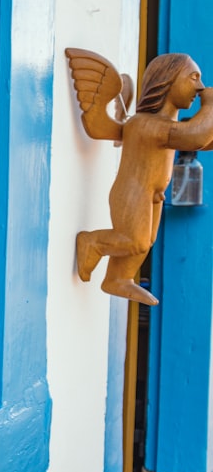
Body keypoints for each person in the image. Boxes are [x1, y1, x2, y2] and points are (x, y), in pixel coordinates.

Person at [68, 48, 213, 305]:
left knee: (146, 242)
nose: (200, 87)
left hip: (153, 192)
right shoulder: (145, 124)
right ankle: (93, 242)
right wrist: (211, 106)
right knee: (133, 241)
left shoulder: (167, 126)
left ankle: (118, 278)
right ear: (167, 80)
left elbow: (203, 141)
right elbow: (195, 136)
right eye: (193, 78)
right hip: (133, 190)